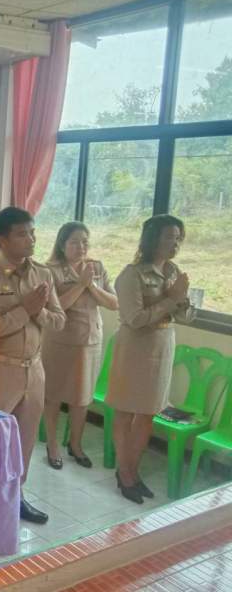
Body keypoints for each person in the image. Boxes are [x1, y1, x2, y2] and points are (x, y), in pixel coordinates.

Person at [0, 207, 65, 525]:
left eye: (32, 232)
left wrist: (38, 312)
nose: (31, 239)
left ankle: (16, 497)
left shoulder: (43, 274)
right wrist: (24, 311)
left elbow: (59, 320)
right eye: (22, 234)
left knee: (25, 440)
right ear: (2, 239)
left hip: (34, 370)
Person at [106, 215, 195, 504]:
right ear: (152, 238)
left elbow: (184, 315)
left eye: (178, 237)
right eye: (169, 236)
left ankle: (132, 471)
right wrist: (171, 299)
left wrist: (182, 300)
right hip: (135, 349)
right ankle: (125, 473)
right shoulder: (132, 274)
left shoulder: (173, 271)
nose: (175, 243)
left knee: (148, 412)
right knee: (125, 411)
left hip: (162, 346)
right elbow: (134, 318)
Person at [41, 222, 118, 471]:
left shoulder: (96, 267)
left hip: (90, 341)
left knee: (82, 397)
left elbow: (114, 303)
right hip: (60, 341)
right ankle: (52, 445)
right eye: (74, 242)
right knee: (52, 394)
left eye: (85, 241)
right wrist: (81, 285)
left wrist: (92, 285)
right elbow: (56, 306)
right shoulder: (50, 270)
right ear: (62, 245)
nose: (81, 247)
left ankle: (75, 444)